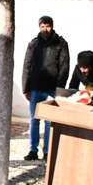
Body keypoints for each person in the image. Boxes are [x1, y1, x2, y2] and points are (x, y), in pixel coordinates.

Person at [21, 15, 69, 161]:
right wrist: (25, 88)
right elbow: (27, 65)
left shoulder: (61, 43)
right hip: (35, 88)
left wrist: (59, 88)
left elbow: (64, 66)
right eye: (42, 26)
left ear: (52, 26)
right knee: (34, 120)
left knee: (49, 121)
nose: (45, 29)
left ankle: (48, 151)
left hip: (51, 89)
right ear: (39, 27)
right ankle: (33, 150)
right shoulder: (34, 44)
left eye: (47, 26)